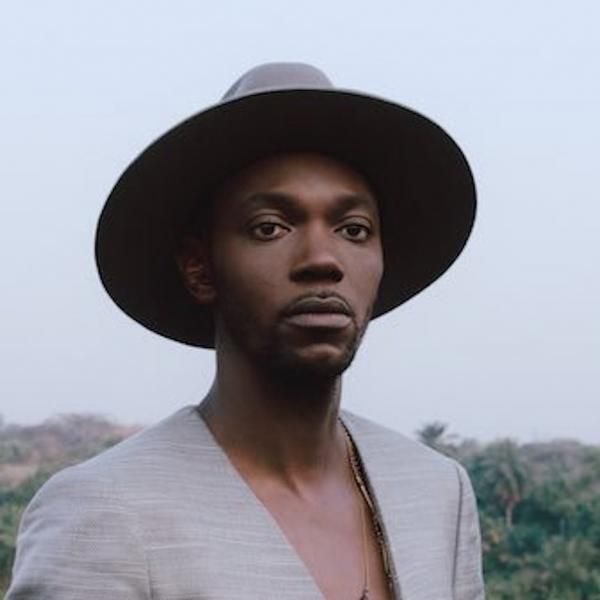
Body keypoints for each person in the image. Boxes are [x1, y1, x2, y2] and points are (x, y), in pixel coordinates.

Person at [7, 63, 485, 599]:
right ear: (200, 268)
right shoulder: (105, 512)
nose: (323, 259)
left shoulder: (438, 494)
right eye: (270, 228)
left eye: (354, 230)